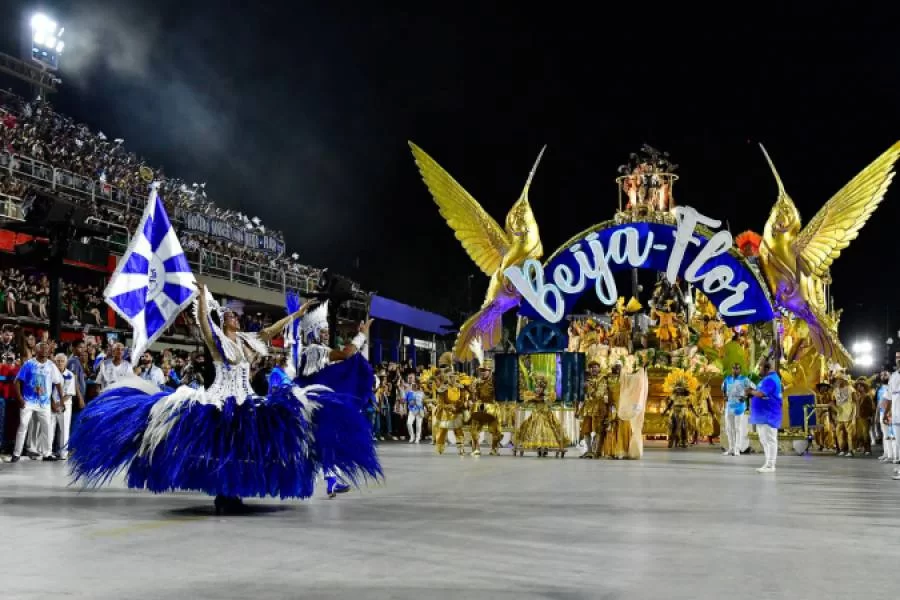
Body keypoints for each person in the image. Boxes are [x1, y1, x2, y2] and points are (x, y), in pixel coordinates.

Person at [69, 286, 380, 514]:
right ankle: (223, 491)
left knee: (245, 444)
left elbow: (270, 330)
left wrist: (296, 315)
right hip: (220, 397)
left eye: (234, 314)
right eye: (227, 313)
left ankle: (235, 489)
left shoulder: (246, 342)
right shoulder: (218, 342)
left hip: (245, 398)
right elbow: (205, 324)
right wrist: (202, 301)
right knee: (220, 443)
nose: (231, 315)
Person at [290, 298, 378, 497]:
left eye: (327, 330)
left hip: (315, 403)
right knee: (320, 442)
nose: (327, 334)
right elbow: (347, 355)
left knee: (325, 442)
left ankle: (330, 480)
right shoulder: (315, 351)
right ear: (313, 332)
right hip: (317, 405)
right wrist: (361, 335)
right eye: (323, 331)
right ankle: (315, 481)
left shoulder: (315, 351)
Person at [9, 342, 63, 462]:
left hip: (44, 402)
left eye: (46, 348)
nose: (44, 350)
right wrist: (20, 398)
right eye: (42, 348)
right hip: (28, 401)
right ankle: (16, 453)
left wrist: (61, 400)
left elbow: (58, 383)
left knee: (47, 428)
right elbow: (17, 381)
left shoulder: (51, 365)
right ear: (36, 350)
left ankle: (47, 453)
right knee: (23, 425)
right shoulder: (29, 364)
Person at [747, 359, 782, 473]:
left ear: (766, 368)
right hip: (763, 415)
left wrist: (751, 392)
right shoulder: (766, 379)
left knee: (770, 440)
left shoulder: (770, 380)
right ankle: (767, 463)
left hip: (769, 415)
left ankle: (771, 465)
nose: (758, 370)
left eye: (760, 367)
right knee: (764, 440)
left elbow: (761, 394)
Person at [721, 363, 753, 456]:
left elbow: (752, 387)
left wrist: (745, 396)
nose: (735, 370)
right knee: (729, 428)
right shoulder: (728, 379)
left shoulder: (744, 379)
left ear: (740, 370)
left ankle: (737, 449)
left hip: (739, 407)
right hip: (729, 406)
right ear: (732, 369)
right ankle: (731, 448)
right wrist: (724, 396)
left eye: (737, 369)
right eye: (734, 368)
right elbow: (723, 387)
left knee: (737, 428)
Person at [51, 353, 76, 459]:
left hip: (65, 405)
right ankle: (46, 452)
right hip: (51, 405)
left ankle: (63, 453)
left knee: (64, 430)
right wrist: (53, 404)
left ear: (66, 362)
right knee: (49, 429)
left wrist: (59, 404)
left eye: (62, 361)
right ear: (54, 362)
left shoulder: (70, 375)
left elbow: (70, 393)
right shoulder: (50, 374)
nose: (60, 363)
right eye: (58, 361)